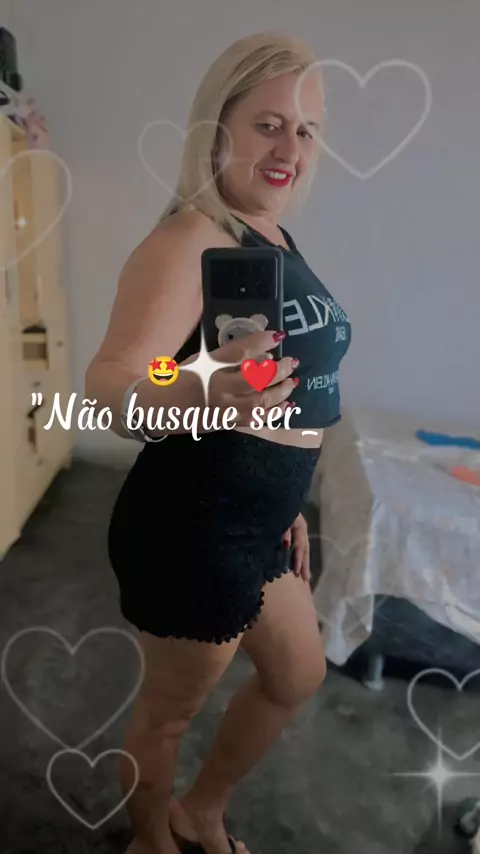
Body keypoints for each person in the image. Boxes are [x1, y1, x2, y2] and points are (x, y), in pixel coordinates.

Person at [85, 30, 351, 854]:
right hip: (194, 520)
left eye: (305, 131)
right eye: (268, 124)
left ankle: (200, 809)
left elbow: (283, 390)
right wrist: (195, 385)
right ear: (218, 126)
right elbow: (111, 385)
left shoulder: (266, 238)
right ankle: (150, 840)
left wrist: (287, 497)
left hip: (259, 515)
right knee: (169, 714)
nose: (290, 149)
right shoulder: (189, 238)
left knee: (297, 674)